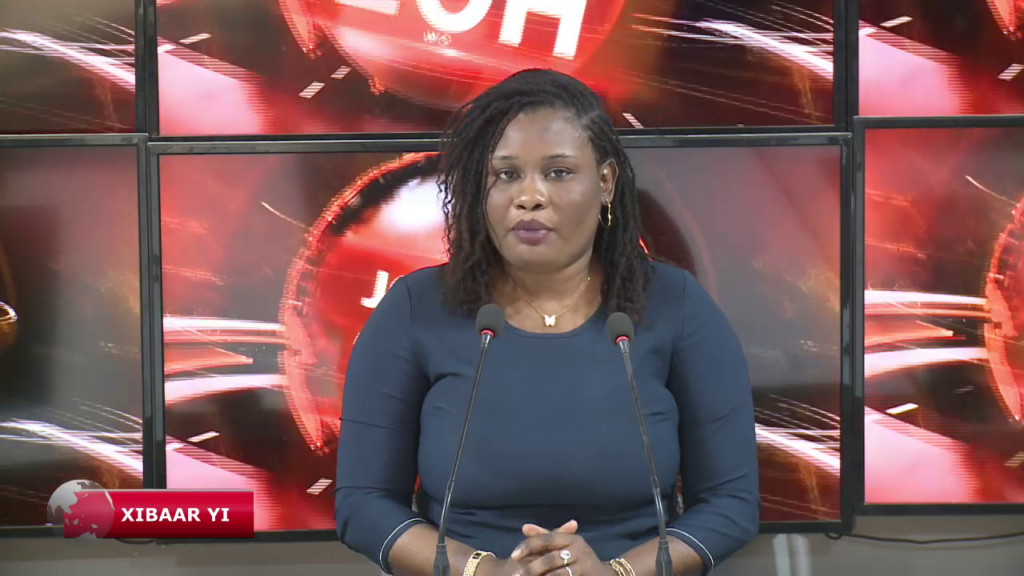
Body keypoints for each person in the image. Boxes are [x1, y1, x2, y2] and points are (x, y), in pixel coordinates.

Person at [334, 69, 759, 576]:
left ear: (606, 182)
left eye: (558, 172)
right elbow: (363, 503)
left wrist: (616, 573)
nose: (529, 196)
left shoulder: (676, 305)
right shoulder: (414, 308)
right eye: (506, 174)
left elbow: (731, 504)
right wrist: (485, 571)